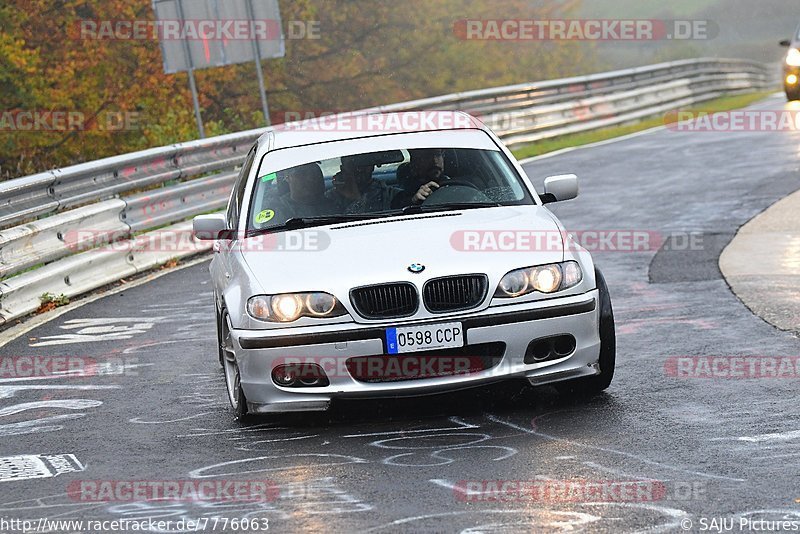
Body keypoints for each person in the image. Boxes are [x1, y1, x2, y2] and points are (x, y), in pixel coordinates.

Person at [327, 154, 401, 213]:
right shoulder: (329, 199)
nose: (359, 169)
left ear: (372, 166)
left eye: (364, 163)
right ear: (342, 169)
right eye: (352, 164)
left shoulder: (394, 196)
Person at [269, 163, 336, 221]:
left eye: (313, 173)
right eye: (302, 173)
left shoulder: (335, 204)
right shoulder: (277, 209)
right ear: (287, 177)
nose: (310, 178)